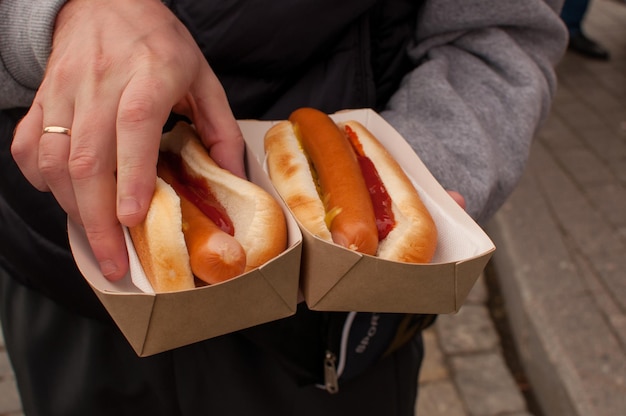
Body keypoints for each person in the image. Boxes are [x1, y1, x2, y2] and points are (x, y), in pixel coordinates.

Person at [0, 0, 566, 415]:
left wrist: (426, 164)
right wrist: (53, 16)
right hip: (65, 277)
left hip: (328, 327)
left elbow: (499, 32)